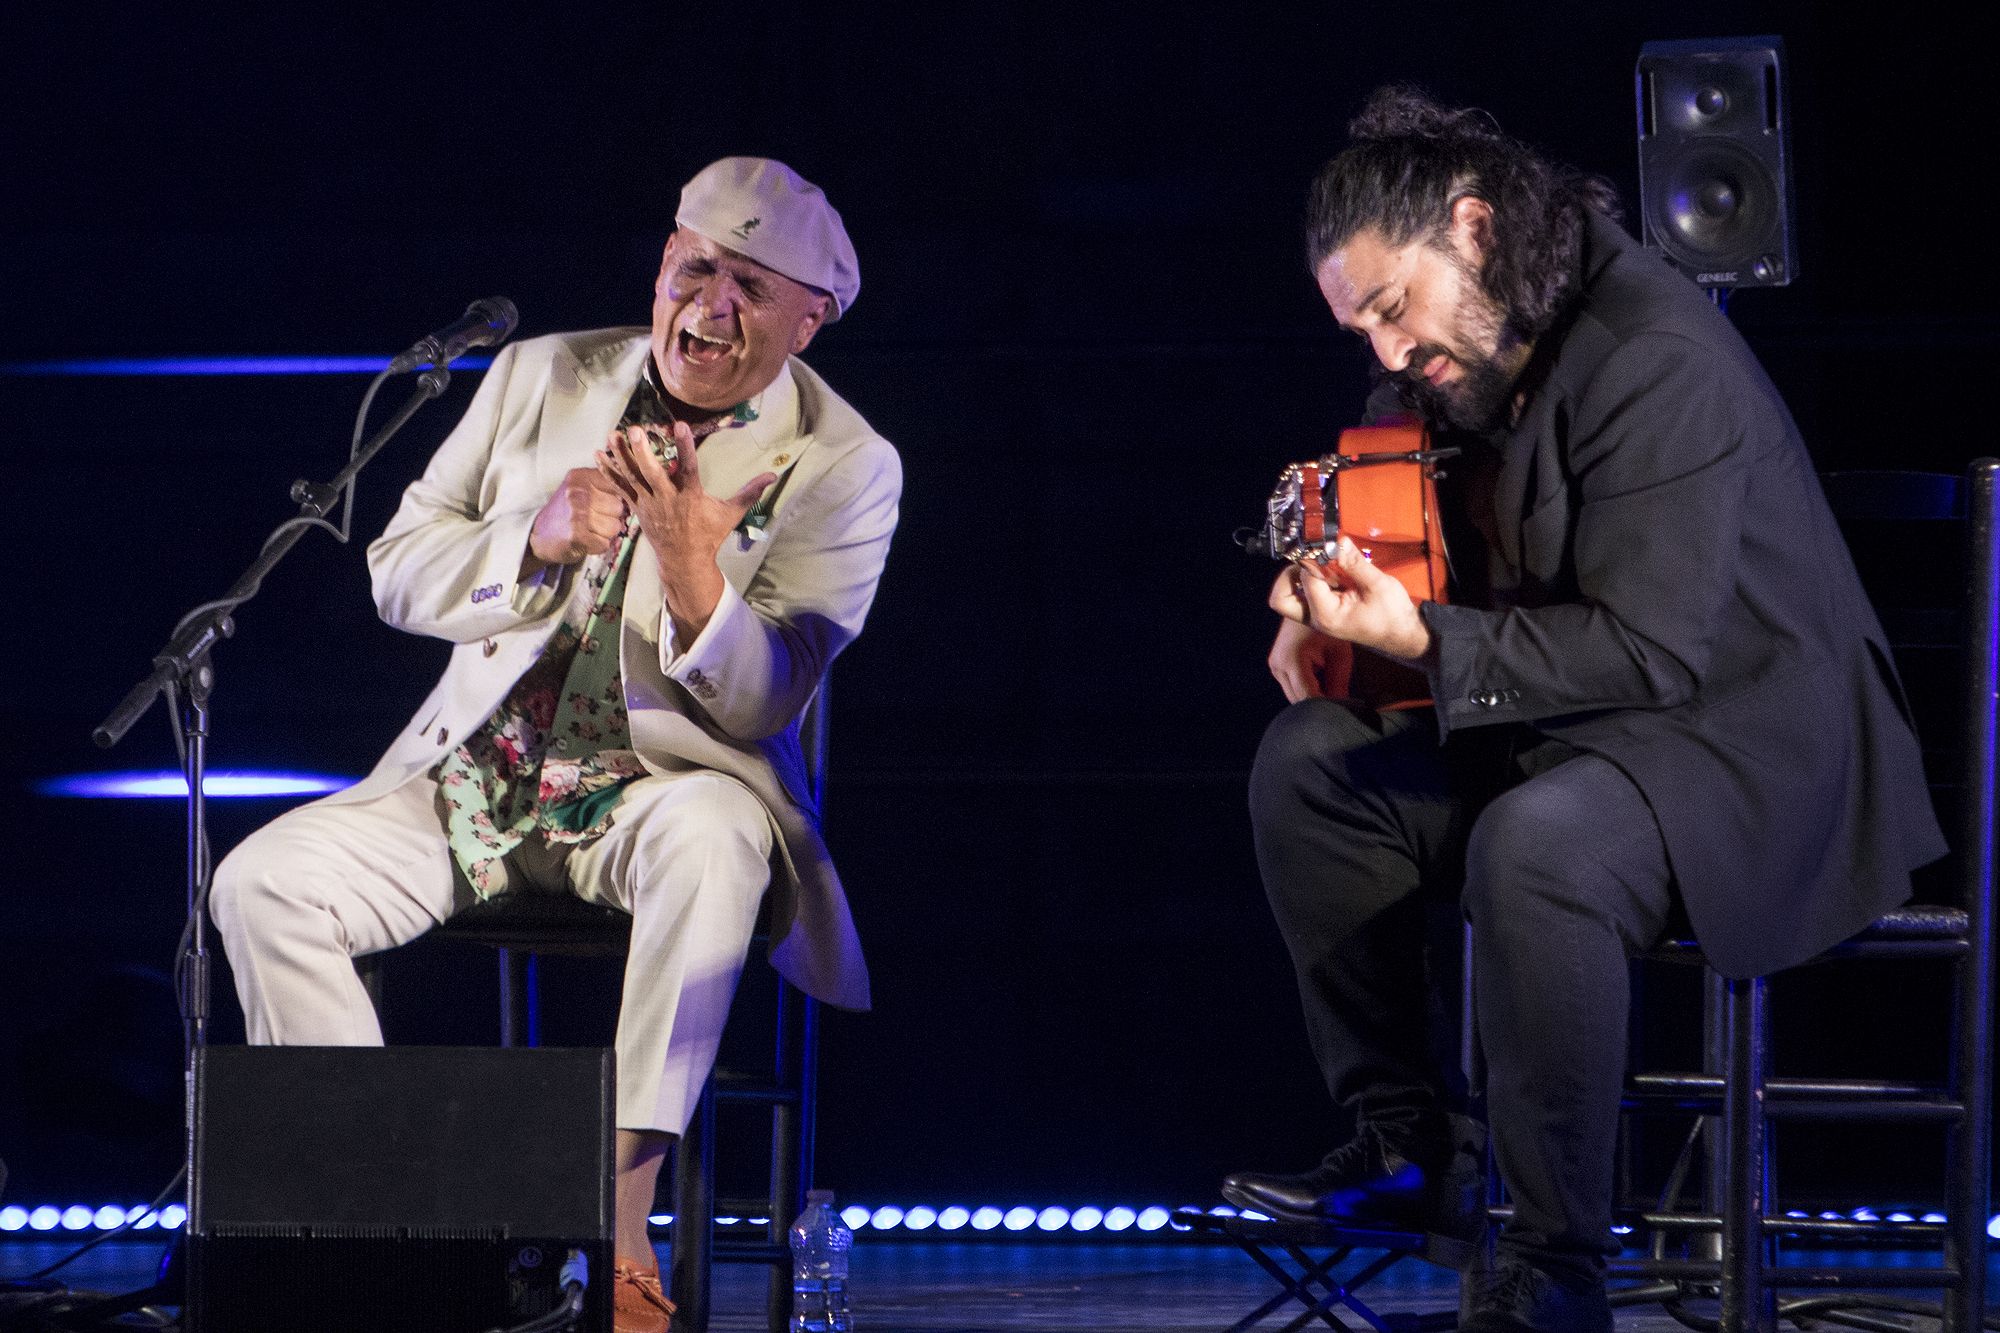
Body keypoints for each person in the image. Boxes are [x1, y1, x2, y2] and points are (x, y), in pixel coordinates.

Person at [1222, 87, 1941, 1333]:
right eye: (1362, 325)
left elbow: (1649, 647)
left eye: (1392, 307)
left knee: (1539, 847)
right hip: (1573, 732)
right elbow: (1405, 431)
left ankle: (1552, 1270)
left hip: (1741, 746)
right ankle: (1414, 1154)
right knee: (1313, 765)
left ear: (1474, 226)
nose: (1387, 349)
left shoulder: (1650, 353)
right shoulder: (1485, 333)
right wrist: (1337, 575)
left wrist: (1421, 637)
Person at [210, 156, 900, 1333]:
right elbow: (394, 566)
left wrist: (693, 573)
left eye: (751, 286)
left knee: (722, 836)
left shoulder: (846, 464)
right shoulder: (541, 374)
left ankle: (622, 1230)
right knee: (263, 880)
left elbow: (766, 699)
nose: (709, 306)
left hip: (655, 794)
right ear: (661, 265)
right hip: (469, 782)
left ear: (810, 319)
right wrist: (529, 540)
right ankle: (384, 1231)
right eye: (695, 269)